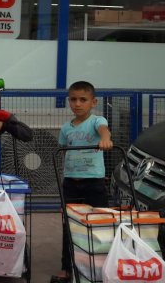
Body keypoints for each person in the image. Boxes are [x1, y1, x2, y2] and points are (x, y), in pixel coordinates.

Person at [51, 81, 113, 283]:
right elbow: (63, 151)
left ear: (93, 102)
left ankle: (101, 266)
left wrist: (105, 139)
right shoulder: (66, 128)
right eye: (73, 99)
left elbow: (104, 130)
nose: (77, 104)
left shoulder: (97, 121)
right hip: (70, 183)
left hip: (94, 183)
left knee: (99, 224)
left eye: (83, 100)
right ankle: (67, 267)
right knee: (69, 226)